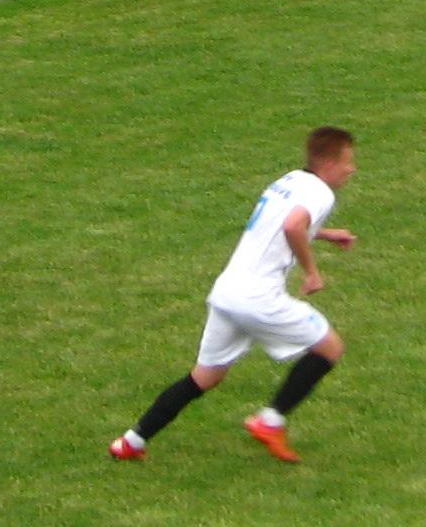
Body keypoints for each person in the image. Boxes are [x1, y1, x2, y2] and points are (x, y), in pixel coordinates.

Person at [111, 127, 358, 465]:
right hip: (258, 298)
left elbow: (276, 225)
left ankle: (131, 441)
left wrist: (327, 234)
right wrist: (312, 271)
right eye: (348, 161)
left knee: (204, 377)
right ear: (329, 163)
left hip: (227, 292)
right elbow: (292, 227)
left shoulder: (288, 181)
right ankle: (270, 421)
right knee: (330, 347)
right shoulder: (321, 193)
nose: (351, 169)